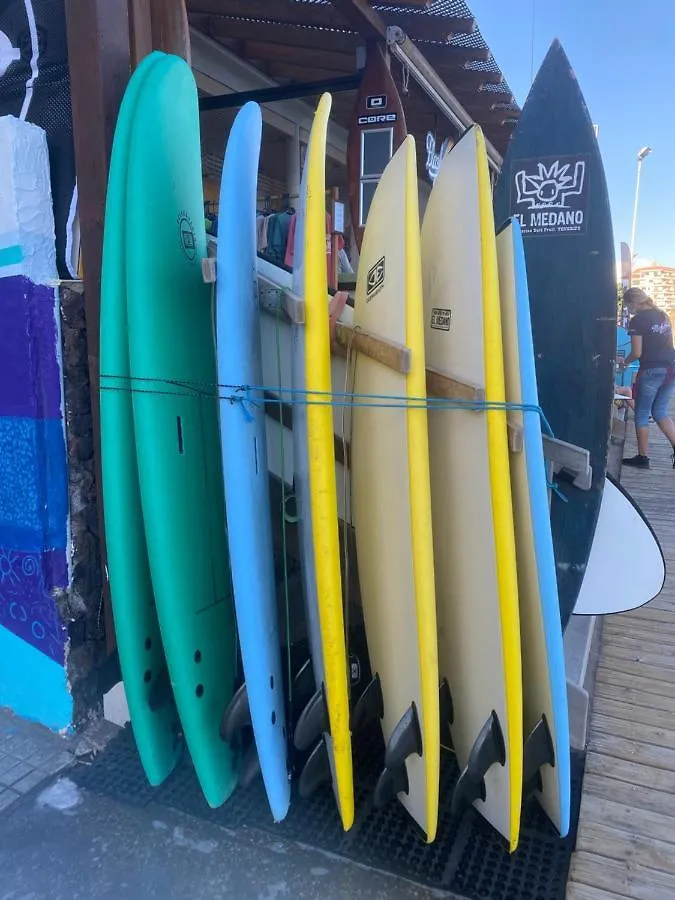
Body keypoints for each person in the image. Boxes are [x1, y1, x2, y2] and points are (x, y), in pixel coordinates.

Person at [621, 287, 675, 469]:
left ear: (634, 303)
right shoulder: (663, 315)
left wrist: (624, 363)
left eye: (628, 306)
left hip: (651, 370)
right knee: (660, 412)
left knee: (642, 414)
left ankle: (642, 457)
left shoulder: (638, 321)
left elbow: (637, 352)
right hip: (671, 368)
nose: (629, 311)